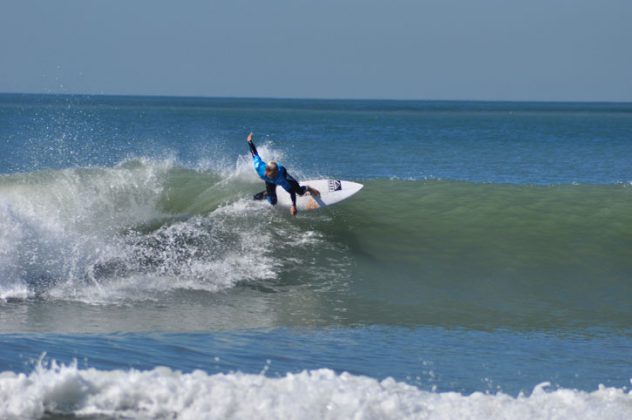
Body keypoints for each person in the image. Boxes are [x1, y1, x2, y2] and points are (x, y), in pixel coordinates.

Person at [247, 132, 319, 216]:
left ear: (276, 173)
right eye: (270, 175)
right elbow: (254, 153)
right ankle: (267, 193)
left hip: (283, 174)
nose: (272, 177)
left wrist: (293, 206)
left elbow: (291, 192)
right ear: (266, 171)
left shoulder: (281, 178)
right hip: (270, 180)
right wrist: (249, 141)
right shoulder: (259, 167)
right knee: (273, 202)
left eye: (273, 176)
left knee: (299, 191)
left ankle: (307, 188)